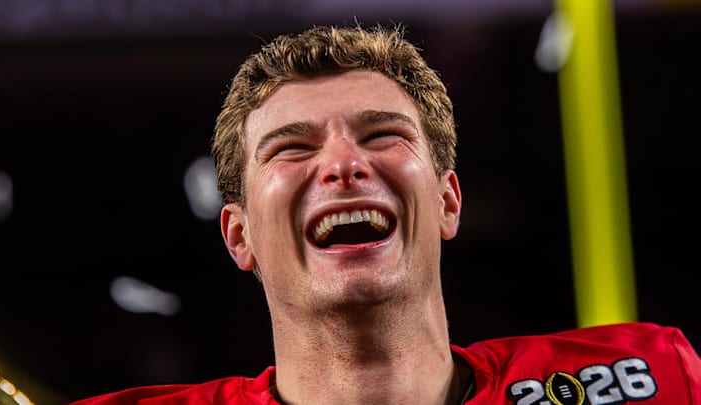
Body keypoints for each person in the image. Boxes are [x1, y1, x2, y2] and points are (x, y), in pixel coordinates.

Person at [72, 23, 701, 404]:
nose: (344, 164)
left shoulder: (652, 379)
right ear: (239, 236)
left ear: (448, 201)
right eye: (293, 146)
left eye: (382, 136)